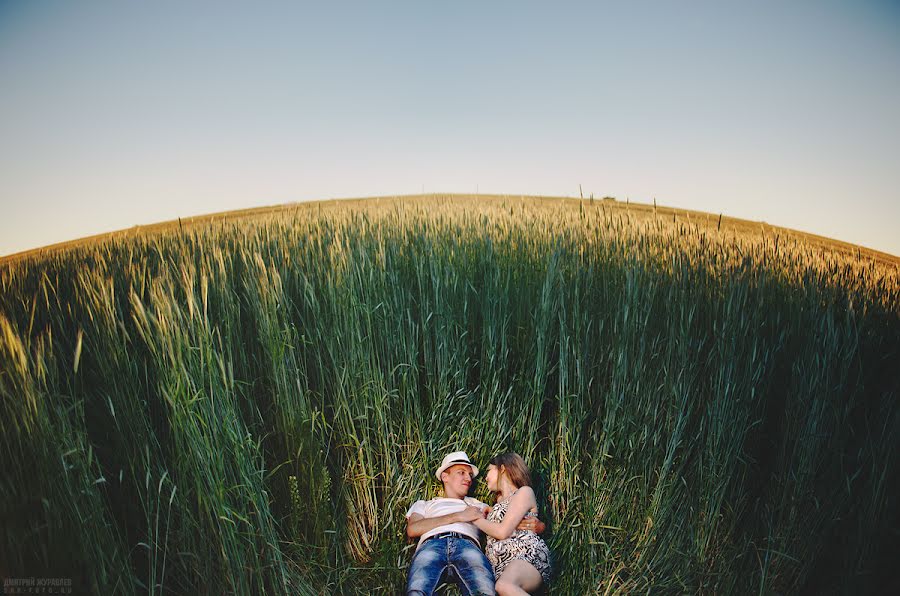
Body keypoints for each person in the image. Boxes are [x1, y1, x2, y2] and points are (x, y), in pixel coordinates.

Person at [405, 451, 544, 596]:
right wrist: (459, 516)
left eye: (470, 475)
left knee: (484, 591)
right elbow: (413, 529)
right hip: (432, 544)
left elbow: (507, 516)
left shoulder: (478, 505)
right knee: (417, 590)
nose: (468, 478)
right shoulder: (425, 504)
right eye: (461, 472)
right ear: (445, 476)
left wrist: (538, 525)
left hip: (467, 546)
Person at [472, 453, 551, 596]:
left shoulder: (524, 492)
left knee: (504, 586)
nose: (486, 477)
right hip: (500, 568)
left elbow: (503, 531)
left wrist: (475, 519)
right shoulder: (498, 504)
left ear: (502, 469)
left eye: (489, 470)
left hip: (525, 556)